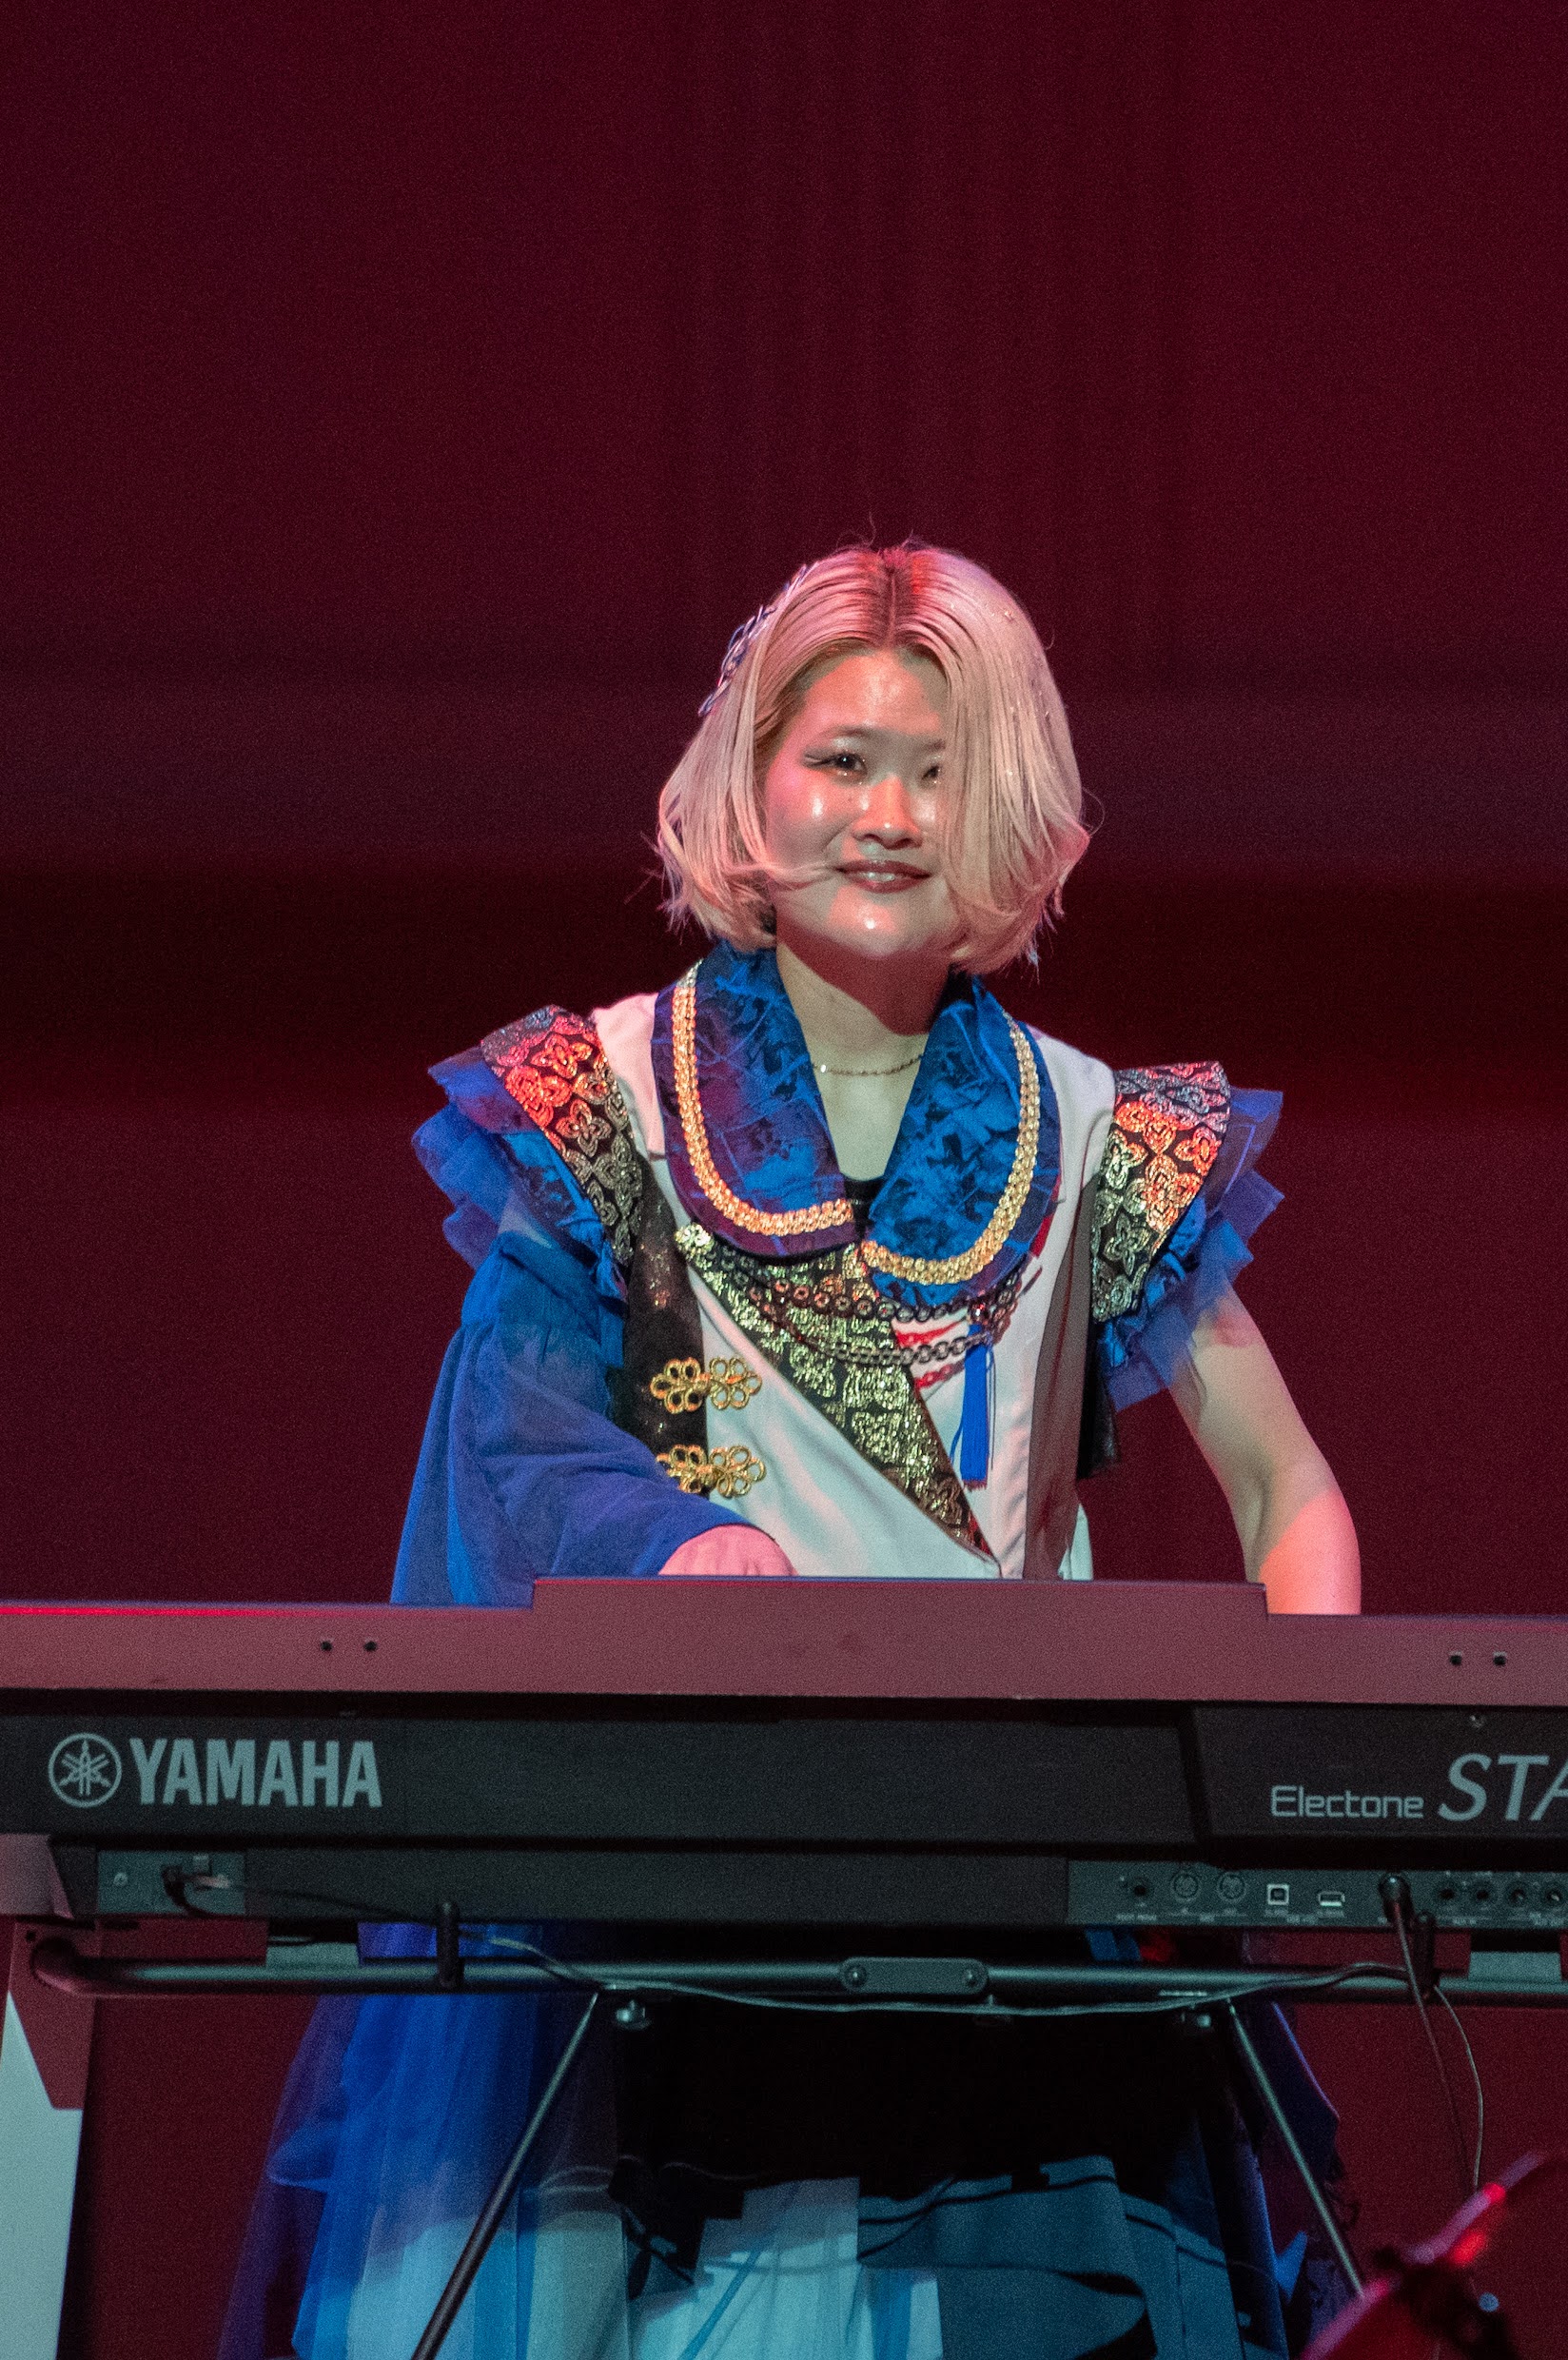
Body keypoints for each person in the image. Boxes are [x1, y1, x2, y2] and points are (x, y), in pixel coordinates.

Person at [222, 544, 1360, 2360]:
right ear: (748, 784)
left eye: (937, 771)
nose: (886, 816)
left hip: (1008, 1869)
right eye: (839, 761)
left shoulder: (1097, 1130)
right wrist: (683, 1550)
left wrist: (1299, 1761)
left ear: (1012, 807)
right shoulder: (597, 1098)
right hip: (678, 1869)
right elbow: (520, 1438)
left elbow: (1286, 1489)